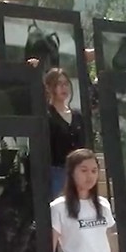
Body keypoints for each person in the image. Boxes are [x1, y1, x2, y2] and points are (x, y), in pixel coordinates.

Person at [46, 68, 85, 199]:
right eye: (58, 84)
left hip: (78, 171)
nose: (63, 88)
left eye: (66, 84)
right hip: (56, 171)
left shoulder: (77, 115)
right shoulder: (47, 115)